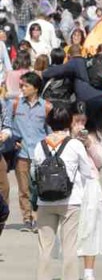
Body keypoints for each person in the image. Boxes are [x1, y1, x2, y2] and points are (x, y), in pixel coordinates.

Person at [31, 104, 102, 280]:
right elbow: (87, 172)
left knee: (45, 247)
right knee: (69, 246)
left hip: (45, 202)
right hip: (70, 201)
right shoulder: (74, 145)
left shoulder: (40, 145)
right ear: (68, 122)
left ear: (49, 123)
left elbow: (34, 174)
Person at [73, 104, 102, 279]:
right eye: (77, 121)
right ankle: (70, 269)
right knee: (71, 229)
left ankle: (88, 272)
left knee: (91, 228)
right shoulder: (63, 136)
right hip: (70, 186)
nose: (81, 125)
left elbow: (101, 161)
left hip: (90, 184)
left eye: (84, 121)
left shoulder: (93, 136)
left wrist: (89, 144)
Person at [4, 70, 47, 231]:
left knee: (38, 187)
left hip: (40, 155)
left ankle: (38, 218)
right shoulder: (15, 105)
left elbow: (49, 130)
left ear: (35, 88)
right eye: (21, 85)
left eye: (26, 86)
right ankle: (27, 219)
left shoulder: (46, 107)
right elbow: (8, 125)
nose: (22, 88)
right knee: (24, 189)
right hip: (21, 154)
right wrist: (13, 139)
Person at [41, 43, 102, 135]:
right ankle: (97, 146)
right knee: (97, 131)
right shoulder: (88, 62)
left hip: (88, 100)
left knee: (83, 128)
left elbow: (52, 72)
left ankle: (84, 146)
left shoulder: (75, 62)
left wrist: (41, 72)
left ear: (68, 55)